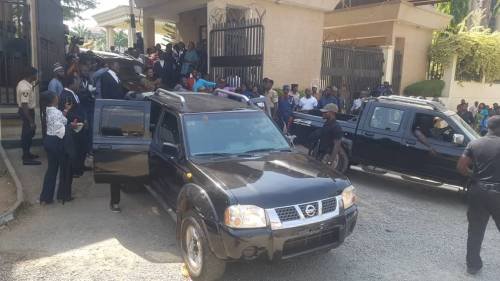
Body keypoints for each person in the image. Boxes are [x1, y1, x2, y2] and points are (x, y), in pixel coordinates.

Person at [457, 115, 500, 275]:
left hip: (478, 192)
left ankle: (473, 266)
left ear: (489, 127)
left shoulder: (474, 143)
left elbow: (461, 166)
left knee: (475, 230)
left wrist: (474, 176)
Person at [40, 92, 70, 205]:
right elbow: (60, 127)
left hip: (49, 141)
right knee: (63, 168)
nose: (58, 97)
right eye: (56, 96)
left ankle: (45, 197)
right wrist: (68, 127)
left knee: (51, 170)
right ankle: (62, 196)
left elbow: (59, 119)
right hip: (57, 141)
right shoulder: (56, 112)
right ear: (53, 100)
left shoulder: (47, 110)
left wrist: (65, 111)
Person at [59, 75, 86, 178]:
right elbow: (68, 113)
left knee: (80, 148)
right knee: (74, 148)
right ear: (71, 84)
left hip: (79, 125)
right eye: (76, 82)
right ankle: (74, 170)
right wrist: (80, 120)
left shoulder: (73, 93)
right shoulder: (66, 95)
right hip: (73, 126)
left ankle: (79, 168)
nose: (78, 83)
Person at [17, 67, 40, 165]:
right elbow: (24, 105)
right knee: (27, 134)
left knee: (29, 134)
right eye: (36, 74)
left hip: (27, 111)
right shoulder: (25, 88)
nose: (37, 76)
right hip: (26, 112)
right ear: (31, 75)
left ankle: (27, 154)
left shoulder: (24, 83)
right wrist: (30, 121)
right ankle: (26, 159)